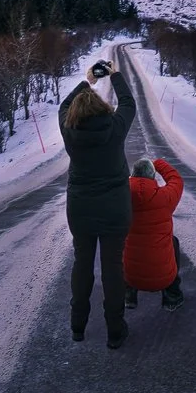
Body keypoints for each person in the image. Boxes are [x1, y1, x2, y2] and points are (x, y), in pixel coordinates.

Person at [59, 58, 136, 348]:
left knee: (82, 263)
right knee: (113, 266)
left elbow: (63, 106)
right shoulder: (115, 127)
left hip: (80, 209)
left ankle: (77, 325)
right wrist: (114, 76)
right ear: (103, 109)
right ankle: (115, 331)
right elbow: (129, 103)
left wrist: (87, 80)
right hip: (115, 208)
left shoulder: (69, 130)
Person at [122, 157, 185, 310]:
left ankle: (128, 294)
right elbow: (176, 179)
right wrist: (158, 163)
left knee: (120, 241)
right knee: (173, 241)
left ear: (132, 175)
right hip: (164, 278)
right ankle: (172, 296)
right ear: (153, 176)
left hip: (130, 276)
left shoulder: (120, 197)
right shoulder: (166, 197)